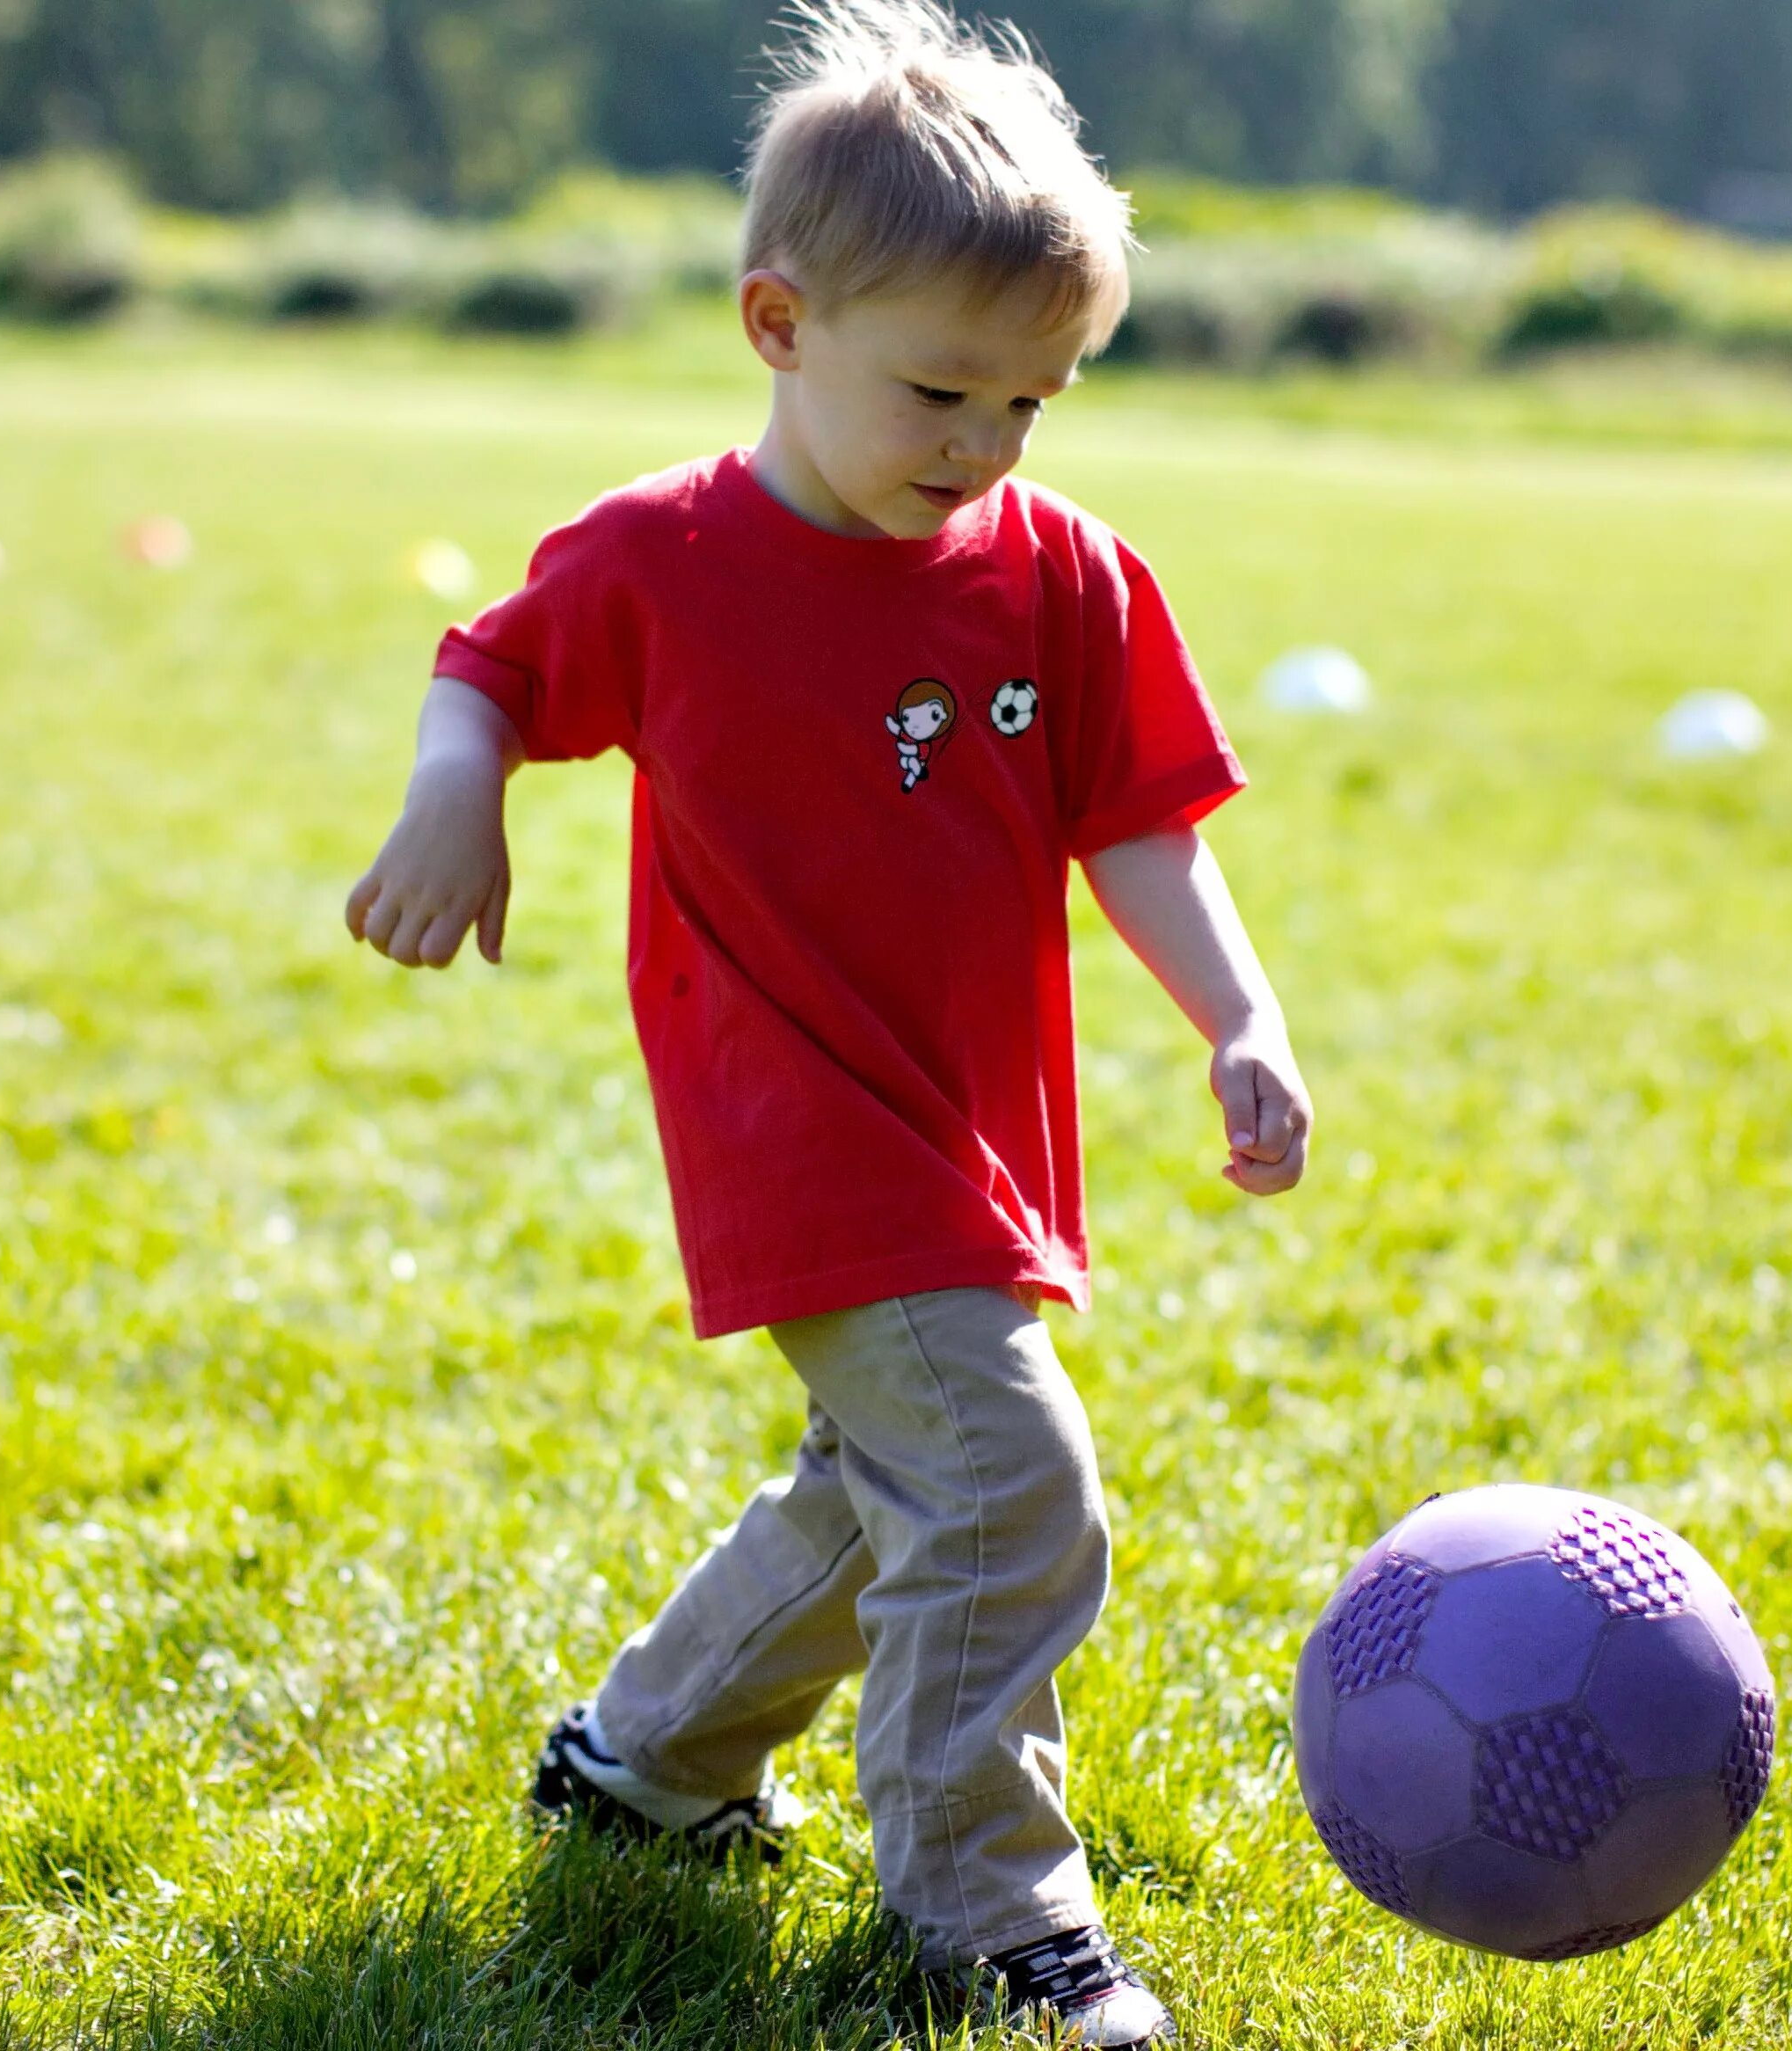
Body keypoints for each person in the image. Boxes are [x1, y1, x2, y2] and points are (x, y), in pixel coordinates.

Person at [344, 2, 1312, 2040]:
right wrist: (458, 796)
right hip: (796, 1116)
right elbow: (490, 672)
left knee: (887, 1486)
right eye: (942, 390)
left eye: (1035, 402)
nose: (983, 446)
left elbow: (1136, 818)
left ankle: (647, 1760)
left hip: (972, 1126)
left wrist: (1238, 1011)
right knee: (1005, 1485)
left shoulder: (1058, 573)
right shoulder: (666, 560)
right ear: (780, 324)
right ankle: (986, 1910)